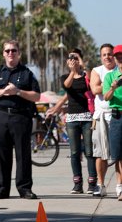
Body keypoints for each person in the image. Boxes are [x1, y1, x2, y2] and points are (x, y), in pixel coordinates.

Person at [0, 42, 41, 199]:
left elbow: (36, 96)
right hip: (1, 116)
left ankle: (24, 188)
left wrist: (18, 91)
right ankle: (2, 189)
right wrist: (3, 91)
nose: (10, 53)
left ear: (19, 53)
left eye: (13, 50)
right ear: (3, 53)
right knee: (2, 154)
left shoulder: (27, 73)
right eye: (7, 50)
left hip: (21, 116)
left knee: (23, 154)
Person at [47, 48, 96, 194]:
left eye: (76, 58)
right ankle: (77, 183)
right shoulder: (65, 77)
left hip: (87, 117)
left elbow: (90, 84)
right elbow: (66, 87)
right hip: (73, 118)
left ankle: (92, 183)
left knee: (89, 151)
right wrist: (72, 71)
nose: (73, 60)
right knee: (74, 152)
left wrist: (80, 66)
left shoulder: (87, 75)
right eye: (71, 58)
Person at [89, 43, 115, 195]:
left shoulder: (120, 69)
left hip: (118, 113)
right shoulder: (96, 70)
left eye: (110, 54)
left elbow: (100, 87)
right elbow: (94, 89)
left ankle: (120, 187)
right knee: (100, 153)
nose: (107, 57)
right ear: (101, 57)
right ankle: (101, 185)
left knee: (119, 154)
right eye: (104, 54)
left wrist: (104, 85)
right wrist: (114, 85)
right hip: (101, 116)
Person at [101, 44, 122, 201]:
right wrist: (113, 88)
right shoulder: (109, 76)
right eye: (118, 56)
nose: (120, 58)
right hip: (116, 117)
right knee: (118, 156)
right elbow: (107, 98)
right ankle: (120, 187)